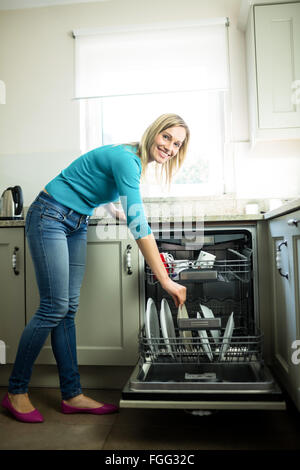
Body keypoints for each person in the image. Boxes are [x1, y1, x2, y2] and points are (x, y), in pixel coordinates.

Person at [1, 113, 189, 423]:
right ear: (154, 132)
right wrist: (165, 280)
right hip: (50, 215)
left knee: (67, 308)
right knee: (53, 306)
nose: (169, 147)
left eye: (177, 144)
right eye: (166, 137)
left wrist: (112, 208)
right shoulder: (128, 160)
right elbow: (139, 224)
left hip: (75, 221)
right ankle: (16, 391)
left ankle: (72, 395)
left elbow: (88, 183)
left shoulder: (132, 161)